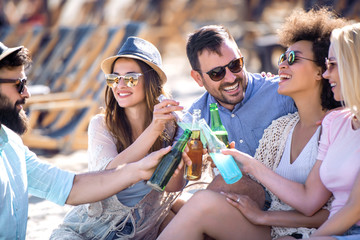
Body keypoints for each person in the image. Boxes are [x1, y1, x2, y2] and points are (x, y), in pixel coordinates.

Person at [158, 8, 347, 240]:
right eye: (217, 73)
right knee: (176, 207)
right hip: (250, 208)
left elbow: (329, 207)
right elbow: (175, 183)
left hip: (279, 214)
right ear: (198, 78)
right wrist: (180, 162)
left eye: (235, 65)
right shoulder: (196, 117)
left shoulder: (285, 95)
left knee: (207, 197)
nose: (230, 77)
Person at [0, 40, 186, 239]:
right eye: (114, 79)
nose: (27, 93)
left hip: (141, 225)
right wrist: (150, 138)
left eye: (131, 78)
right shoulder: (103, 125)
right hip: (96, 229)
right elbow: (105, 177)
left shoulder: (13, 147)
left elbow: (68, 188)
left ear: (152, 81)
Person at [304, 22, 360, 240]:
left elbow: (355, 207)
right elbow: (309, 200)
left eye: (334, 65)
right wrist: (251, 166)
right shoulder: (336, 122)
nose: (326, 74)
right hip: (336, 230)